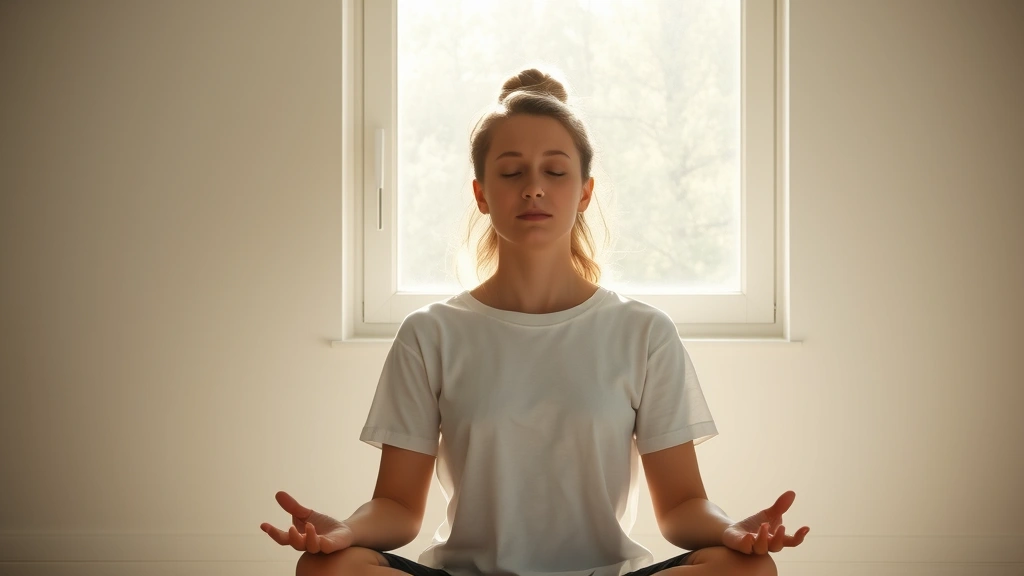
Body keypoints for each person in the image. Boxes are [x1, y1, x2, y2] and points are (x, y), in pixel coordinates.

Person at [261, 67, 809, 576]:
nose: (534, 187)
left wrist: (731, 530)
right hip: (467, 574)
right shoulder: (430, 334)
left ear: (585, 192)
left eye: (555, 170)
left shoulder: (643, 332)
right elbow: (399, 508)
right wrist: (347, 532)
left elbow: (683, 507)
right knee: (326, 569)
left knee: (749, 570)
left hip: (601, 575)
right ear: (481, 193)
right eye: (511, 172)